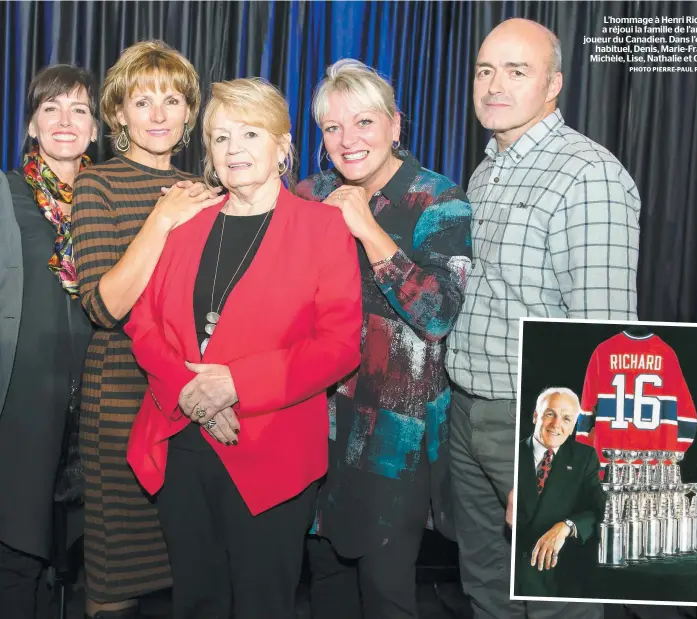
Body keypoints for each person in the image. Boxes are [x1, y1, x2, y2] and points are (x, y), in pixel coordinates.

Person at [123, 77, 363, 619]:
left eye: (250, 134)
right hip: (183, 439)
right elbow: (143, 322)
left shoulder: (323, 227)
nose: (234, 150)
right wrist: (188, 390)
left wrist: (236, 384)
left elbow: (339, 345)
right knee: (196, 601)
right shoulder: (184, 222)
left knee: (263, 603)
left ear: (282, 146)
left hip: (272, 445)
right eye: (220, 137)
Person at [446, 17, 640, 619]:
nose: (495, 85)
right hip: (467, 412)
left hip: (533, 422)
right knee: (487, 589)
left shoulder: (589, 174)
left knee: (557, 598)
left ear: (553, 84)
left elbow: (602, 339)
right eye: (485, 70)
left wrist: (556, 471)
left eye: (516, 71)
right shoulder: (486, 169)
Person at [295, 59, 472, 619]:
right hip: (315, 424)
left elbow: (439, 314)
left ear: (396, 125)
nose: (348, 141)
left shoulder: (438, 200)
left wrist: (368, 229)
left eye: (364, 122)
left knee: (387, 592)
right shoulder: (309, 192)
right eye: (332, 128)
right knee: (325, 584)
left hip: (395, 437)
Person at [71, 40, 222, 619]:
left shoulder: (208, 191)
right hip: (121, 398)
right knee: (117, 579)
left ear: (189, 113)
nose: (158, 114)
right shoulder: (97, 186)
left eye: (172, 99)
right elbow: (105, 306)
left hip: (194, 396)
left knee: (196, 570)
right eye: (142, 101)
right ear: (118, 114)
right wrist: (161, 219)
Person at [0, 64, 97, 619]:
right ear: (32, 124)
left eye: (79, 109)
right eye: (51, 108)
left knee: (78, 562)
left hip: (95, 406)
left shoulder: (108, 197)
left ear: (94, 127)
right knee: (17, 550)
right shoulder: (8, 193)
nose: (66, 120)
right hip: (22, 398)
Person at [514, 388, 605, 598]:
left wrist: (567, 526)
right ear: (536, 416)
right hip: (512, 571)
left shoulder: (584, 458)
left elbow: (599, 509)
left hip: (559, 577)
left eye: (566, 418)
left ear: (573, 426)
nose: (557, 424)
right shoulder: (511, 452)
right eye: (550, 414)